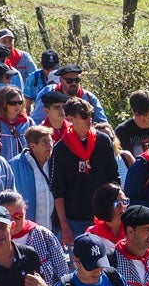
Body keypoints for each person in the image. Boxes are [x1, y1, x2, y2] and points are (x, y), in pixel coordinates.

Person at [51, 97, 119, 243]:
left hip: (103, 218)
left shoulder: (103, 141)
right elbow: (58, 191)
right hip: (74, 220)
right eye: (83, 116)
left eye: (90, 115)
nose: (89, 119)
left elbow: (114, 179)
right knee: (79, 264)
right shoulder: (60, 149)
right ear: (70, 118)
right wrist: (65, 227)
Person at [0, 188, 63, 286]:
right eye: (8, 217)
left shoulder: (44, 236)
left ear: (25, 211)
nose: (13, 221)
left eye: (18, 216)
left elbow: (63, 274)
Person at [8, 124, 54, 228]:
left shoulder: (55, 163)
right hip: (26, 230)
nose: (50, 145)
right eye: (45, 142)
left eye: (51, 141)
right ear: (33, 146)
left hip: (52, 229)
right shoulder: (15, 165)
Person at [32, 64, 106, 124]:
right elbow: (36, 121)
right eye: (69, 80)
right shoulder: (49, 94)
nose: (73, 83)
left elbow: (103, 123)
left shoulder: (89, 97)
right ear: (61, 80)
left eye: (77, 80)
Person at [114, 89, 149, 158]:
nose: (142, 120)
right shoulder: (122, 131)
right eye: (137, 115)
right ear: (132, 111)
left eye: (146, 115)